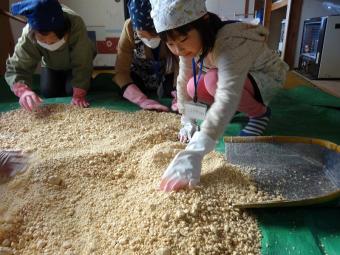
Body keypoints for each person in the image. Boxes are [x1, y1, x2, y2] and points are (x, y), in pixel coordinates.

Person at [149, 0, 289, 191]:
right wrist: (187, 119)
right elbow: (183, 79)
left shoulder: (229, 41)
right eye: (171, 44)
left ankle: (258, 114)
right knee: (192, 86)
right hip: (228, 78)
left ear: (204, 22)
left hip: (265, 76)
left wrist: (197, 149)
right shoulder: (187, 47)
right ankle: (232, 110)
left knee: (213, 81)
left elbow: (227, 92)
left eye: (182, 40)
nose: (178, 50)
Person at [5, 0, 97, 111]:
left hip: (73, 63)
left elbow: (83, 59)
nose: (48, 44)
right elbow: (17, 66)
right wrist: (23, 91)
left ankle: (79, 81)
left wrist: (79, 91)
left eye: (53, 42)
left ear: (65, 32)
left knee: (71, 90)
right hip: (50, 64)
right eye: (43, 41)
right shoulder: (28, 33)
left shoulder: (75, 23)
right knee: (49, 91)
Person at [114, 0, 178, 112]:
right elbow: (121, 70)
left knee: (172, 89)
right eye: (142, 34)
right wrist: (141, 99)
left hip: (166, 71)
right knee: (123, 89)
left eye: (154, 34)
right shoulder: (129, 27)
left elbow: (181, 62)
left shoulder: (171, 27)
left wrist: (181, 94)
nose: (149, 39)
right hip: (140, 72)